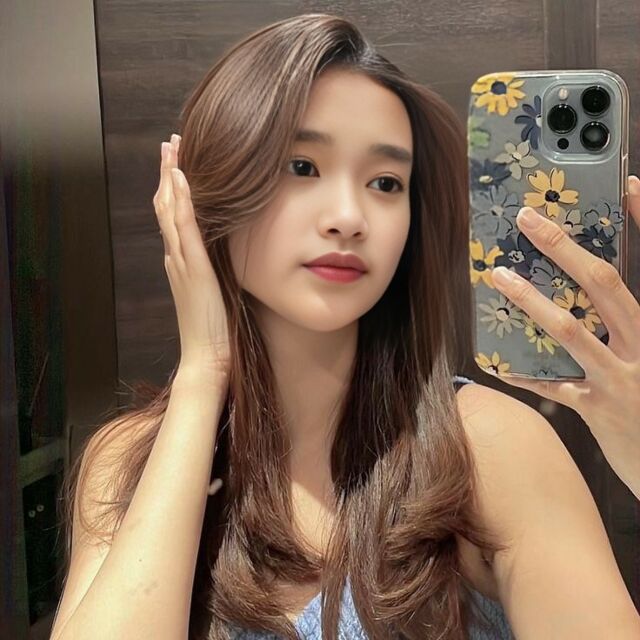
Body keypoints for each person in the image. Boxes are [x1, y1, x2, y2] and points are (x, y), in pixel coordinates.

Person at [49, 13, 640, 640]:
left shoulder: (487, 449)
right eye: (302, 166)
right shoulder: (130, 460)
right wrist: (203, 373)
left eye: (385, 182)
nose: (348, 216)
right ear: (201, 193)